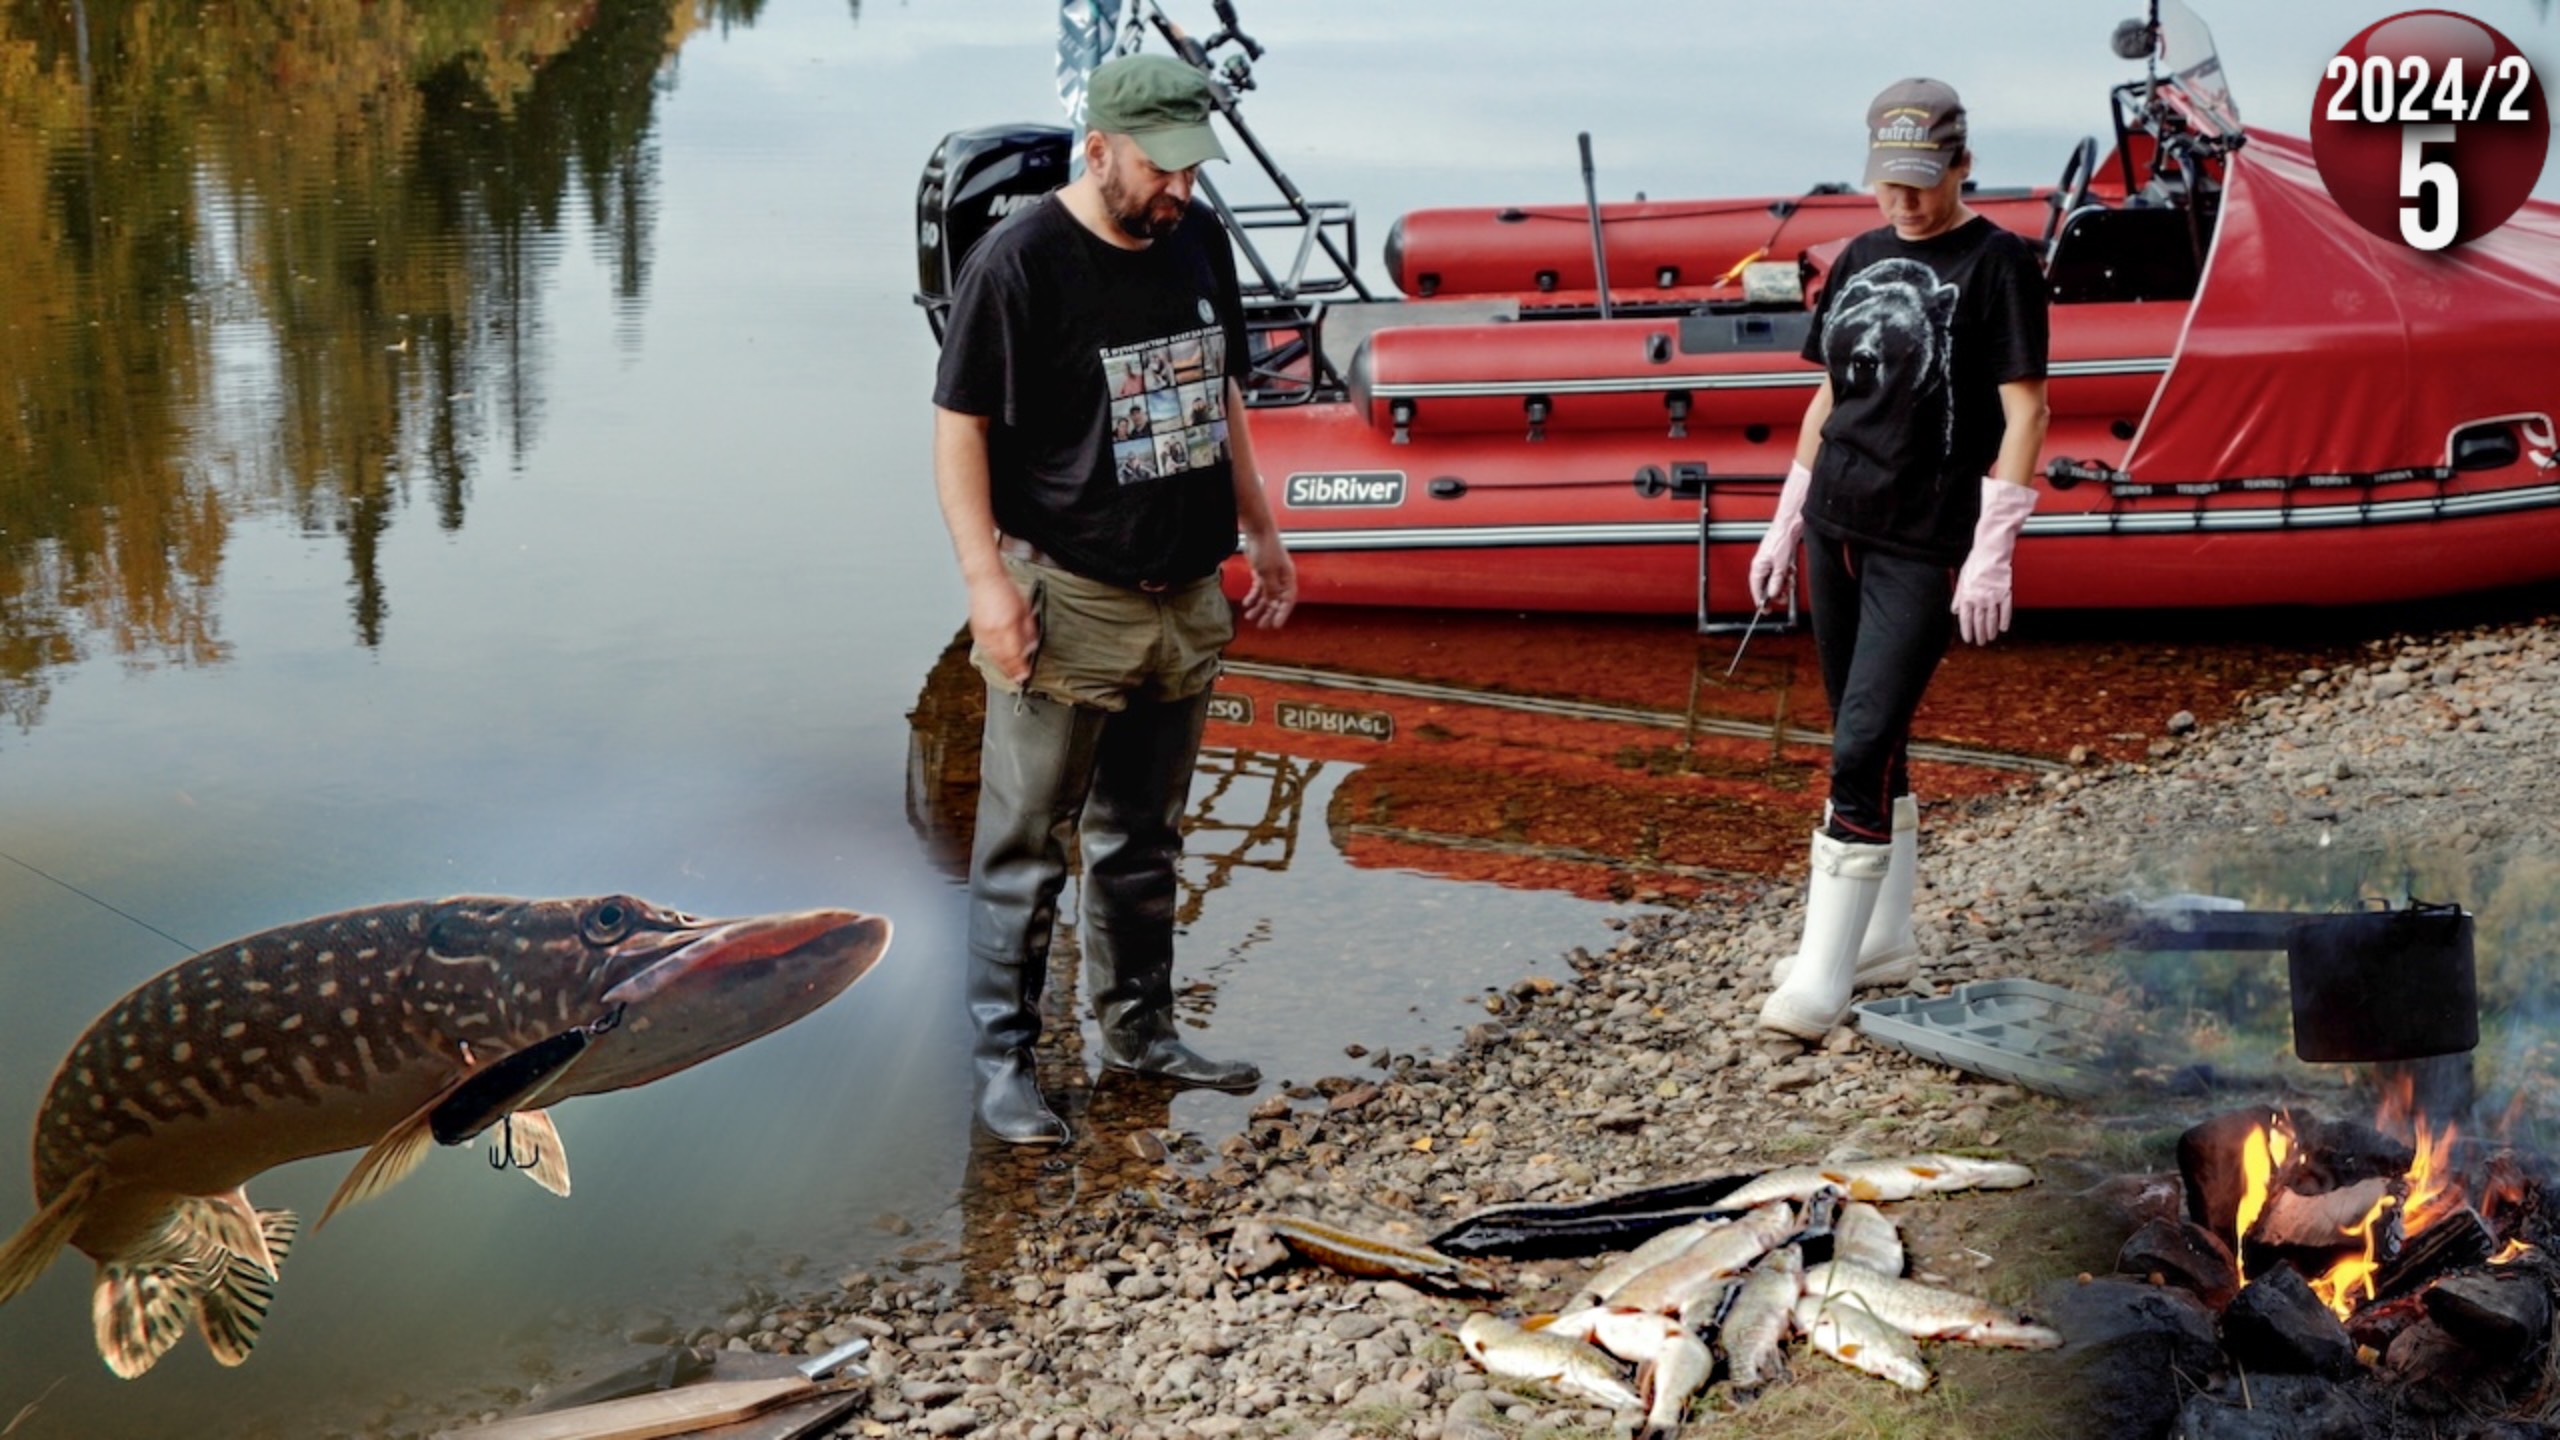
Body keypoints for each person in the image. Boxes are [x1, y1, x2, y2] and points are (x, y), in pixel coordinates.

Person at [931, 52, 1297, 1144]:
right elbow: (959, 433)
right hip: (1069, 597)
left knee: (1146, 835)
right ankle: (1002, 1065)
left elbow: (1216, 385)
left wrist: (1263, 531)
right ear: (1100, 148)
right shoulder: (1019, 261)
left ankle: (1137, 1031)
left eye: (1195, 166)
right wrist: (987, 586)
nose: (1181, 188)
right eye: (1162, 166)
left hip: (1184, 594)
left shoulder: (1194, 236)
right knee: (1025, 845)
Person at [1749, 77, 2050, 1041]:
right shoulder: (1857, 257)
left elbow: (2026, 409)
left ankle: (1822, 980)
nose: (1904, 202)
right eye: (1889, 183)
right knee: (1865, 733)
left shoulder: (2001, 263)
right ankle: (1881, 942)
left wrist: (1991, 548)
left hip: (1923, 540)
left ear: (1964, 165)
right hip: (1835, 525)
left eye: (1924, 182)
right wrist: (1785, 517)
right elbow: (1828, 398)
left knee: (1859, 741)